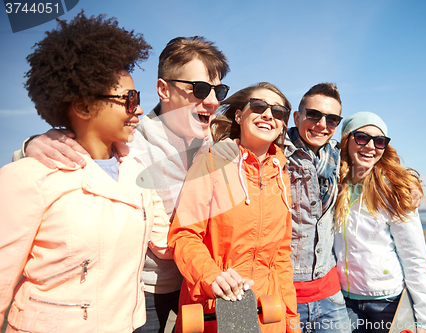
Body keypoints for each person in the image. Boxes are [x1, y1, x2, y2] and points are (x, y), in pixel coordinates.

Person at [12, 36, 231, 333]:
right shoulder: (128, 140)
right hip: (140, 292)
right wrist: (32, 144)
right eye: (201, 89)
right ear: (163, 89)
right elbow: (70, 155)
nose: (213, 101)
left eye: (219, 90)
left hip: (196, 283)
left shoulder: (215, 144)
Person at [0, 12, 173, 332]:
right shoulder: (26, 178)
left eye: (138, 98)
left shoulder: (139, 173)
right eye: (128, 99)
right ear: (82, 106)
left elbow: (167, 243)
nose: (137, 109)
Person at [167, 82, 300, 333]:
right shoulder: (210, 162)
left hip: (267, 315)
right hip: (213, 310)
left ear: (282, 124)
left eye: (278, 112)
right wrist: (212, 277)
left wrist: (292, 322)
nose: (268, 115)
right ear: (239, 115)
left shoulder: (281, 176)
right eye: (259, 106)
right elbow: (184, 235)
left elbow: (281, 256)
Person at [333, 112, 426, 333]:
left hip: (388, 303)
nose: (371, 146)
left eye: (379, 141)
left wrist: (425, 321)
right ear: (346, 139)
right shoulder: (332, 183)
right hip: (344, 301)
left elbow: (414, 257)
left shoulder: (395, 191)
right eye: (362, 137)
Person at [285, 83, 350, 333]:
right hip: (285, 292)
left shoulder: (337, 158)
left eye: (332, 119)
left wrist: (405, 186)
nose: (322, 124)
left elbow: (373, 159)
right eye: (314, 115)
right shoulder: (275, 153)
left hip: (330, 295)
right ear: (297, 117)